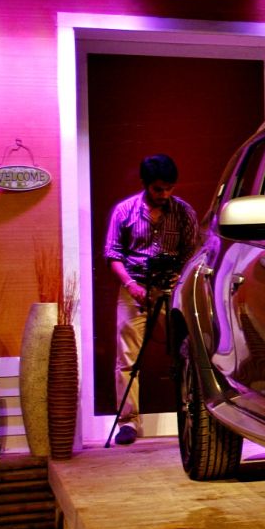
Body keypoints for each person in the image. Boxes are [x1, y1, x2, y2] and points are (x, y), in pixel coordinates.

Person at [103, 154, 197, 446]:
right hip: (135, 287)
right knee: (127, 357)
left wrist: (178, 277)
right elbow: (113, 254)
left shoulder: (183, 212)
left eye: (169, 188)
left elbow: (192, 252)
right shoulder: (125, 211)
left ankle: (193, 413)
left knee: (186, 350)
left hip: (171, 288)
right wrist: (130, 284)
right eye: (158, 189)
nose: (164, 194)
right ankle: (128, 422)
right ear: (145, 184)